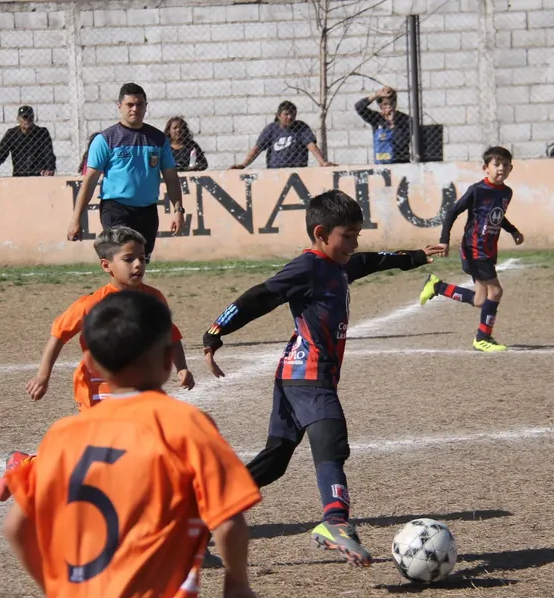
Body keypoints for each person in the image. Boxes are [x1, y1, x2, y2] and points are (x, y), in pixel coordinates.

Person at [2, 289, 265, 598]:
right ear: (165, 361)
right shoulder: (184, 424)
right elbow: (228, 523)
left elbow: (16, 529)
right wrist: (237, 584)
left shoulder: (62, 434)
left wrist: (56, 595)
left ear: (89, 362)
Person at [201, 190, 443, 567]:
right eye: (347, 236)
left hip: (294, 375)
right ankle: (334, 521)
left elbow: (370, 261)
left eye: (357, 234)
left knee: (275, 461)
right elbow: (260, 296)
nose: (354, 243)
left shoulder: (339, 264)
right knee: (332, 440)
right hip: (308, 375)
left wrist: (413, 257)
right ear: (320, 233)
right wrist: (216, 331)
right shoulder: (309, 266)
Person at [0, 226, 196, 501]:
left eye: (142, 257)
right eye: (128, 259)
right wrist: (43, 375)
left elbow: (170, 336)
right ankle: (27, 467)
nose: (138, 264)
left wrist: (181, 366)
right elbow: (58, 334)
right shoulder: (91, 304)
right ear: (107, 265)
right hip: (97, 387)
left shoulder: (153, 298)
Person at [419, 146, 524, 352]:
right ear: (486, 168)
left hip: (488, 250)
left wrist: (512, 231)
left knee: (480, 300)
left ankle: (437, 286)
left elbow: (497, 215)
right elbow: (452, 212)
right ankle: (483, 338)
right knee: (496, 291)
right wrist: (444, 240)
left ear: (511, 168)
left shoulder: (506, 192)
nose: (501, 168)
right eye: (496, 164)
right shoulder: (478, 190)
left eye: (505, 164)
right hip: (474, 249)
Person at [67, 84, 185, 263]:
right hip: (116, 209)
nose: (135, 109)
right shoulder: (105, 140)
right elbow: (90, 181)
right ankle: (119, 291)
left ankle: (133, 292)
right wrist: (76, 218)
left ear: (146, 106)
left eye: (139, 104)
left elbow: (170, 177)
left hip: (147, 210)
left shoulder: (158, 139)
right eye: (130, 104)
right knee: (124, 257)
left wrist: (178, 210)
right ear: (119, 106)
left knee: (141, 262)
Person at [231, 101, 336, 170]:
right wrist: (243, 165)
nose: (290, 117)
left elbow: (311, 146)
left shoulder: (301, 127)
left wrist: (322, 162)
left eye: (293, 114)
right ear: (278, 115)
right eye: (286, 114)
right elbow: (257, 148)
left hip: (298, 172)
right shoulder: (271, 129)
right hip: (275, 173)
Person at [0, 105, 56, 178]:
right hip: (19, 175)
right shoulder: (12, 134)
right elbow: (1, 153)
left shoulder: (42, 133)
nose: (27, 120)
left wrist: (50, 168)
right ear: (18, 119)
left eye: (30, 117)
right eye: (25, 117)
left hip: (38, 175)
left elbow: (48, 153)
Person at [355, 86, 412, 164]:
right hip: (382, 162)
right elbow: (359, 107)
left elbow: (402, 142)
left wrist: (393, 123)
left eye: (392, 103)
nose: (389, 106)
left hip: (401, 161)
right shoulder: (376, 118)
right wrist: (376, 95)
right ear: (380, 105)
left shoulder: (405, 119)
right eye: (385, 104)